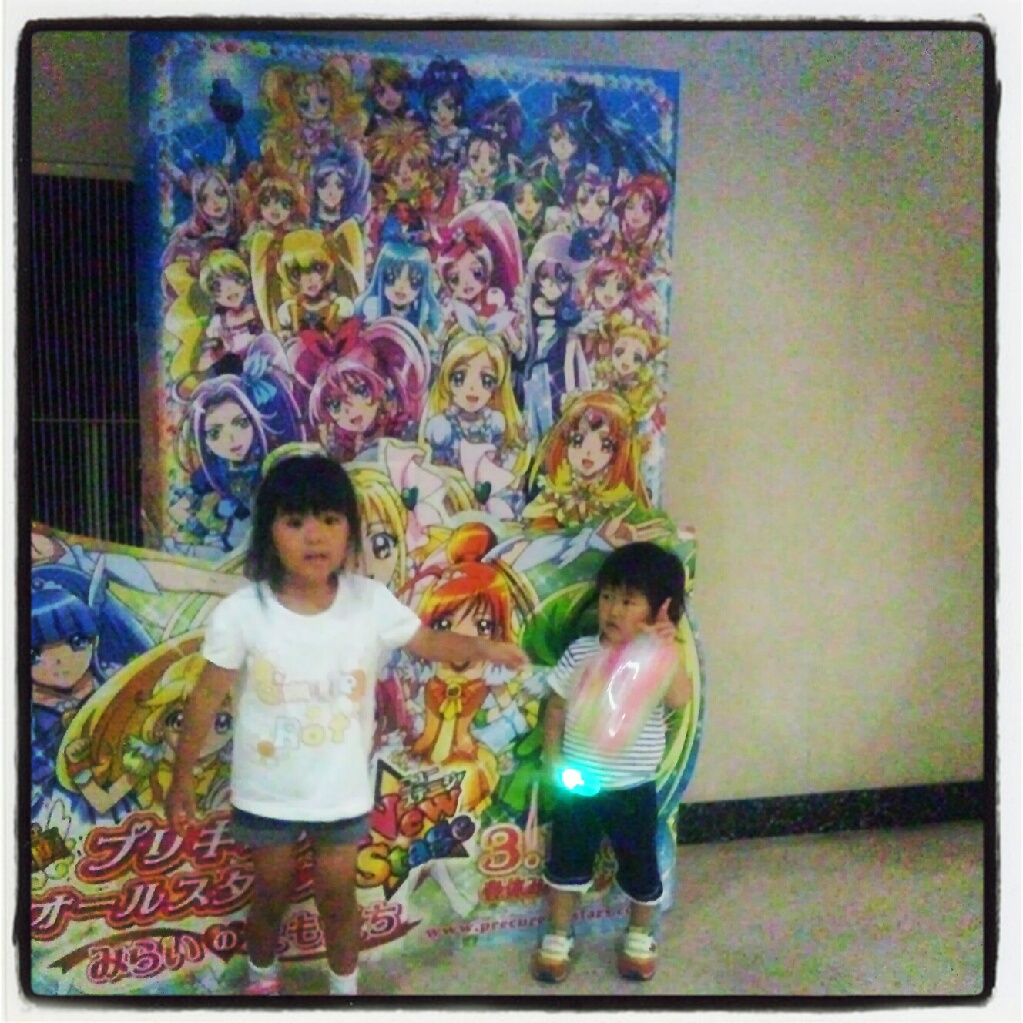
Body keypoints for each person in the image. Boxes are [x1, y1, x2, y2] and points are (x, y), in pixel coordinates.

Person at [165, 449, 529, 997]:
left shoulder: (369, 602)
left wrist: (482, 647)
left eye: (330, 520)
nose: (314, 536)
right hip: (267, 794)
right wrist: (182, 778)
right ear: (268, 533)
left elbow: (428, 642)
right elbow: (205, 699)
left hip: (340, 793)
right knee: (271, 891)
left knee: (338, 897)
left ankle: (345, 990)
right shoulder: (242, 613)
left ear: (350, 531)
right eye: (295, 522)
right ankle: (262, 979)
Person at [531, 541, 692, 984]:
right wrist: (552, 760)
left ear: (660, 609)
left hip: (634, 787)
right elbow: (557, 707)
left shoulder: (660, 660)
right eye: (607, 597)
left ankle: (640, 936)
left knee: (640, 864)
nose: (613, 610)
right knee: (567, 861)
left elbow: (680, 700)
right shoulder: (582, 652)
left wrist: (667, 649)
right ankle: (558, 935)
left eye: (628, 601)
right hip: (578, 783)